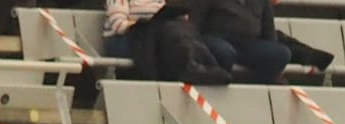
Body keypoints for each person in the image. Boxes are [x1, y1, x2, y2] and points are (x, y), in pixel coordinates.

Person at [103, 0, 231, 85]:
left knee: (181, 29)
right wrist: (150, 25)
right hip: (126, 38)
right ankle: (189, 69)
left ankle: (205, 67)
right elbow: (119, 26)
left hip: (156, 35)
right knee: (169, 33)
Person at [197, 0, 290, 83]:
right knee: (225, 52)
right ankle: (221, 81)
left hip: (248, 45)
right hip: (215, 40)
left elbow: (268, 31)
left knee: (281, 54)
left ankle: (251, 85)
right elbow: (194, 24)